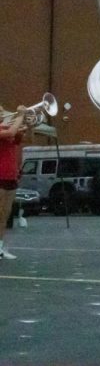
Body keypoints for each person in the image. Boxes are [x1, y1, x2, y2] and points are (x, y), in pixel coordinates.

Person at [0, 105, 26, 260]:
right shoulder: (5, 130)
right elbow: (10, 132)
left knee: (5, 214)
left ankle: (0, 247)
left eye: (2, 111)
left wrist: (26, 125)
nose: (2, 113)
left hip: (11, 176)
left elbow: (25, 138)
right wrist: (21, 116)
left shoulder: (9, 128)